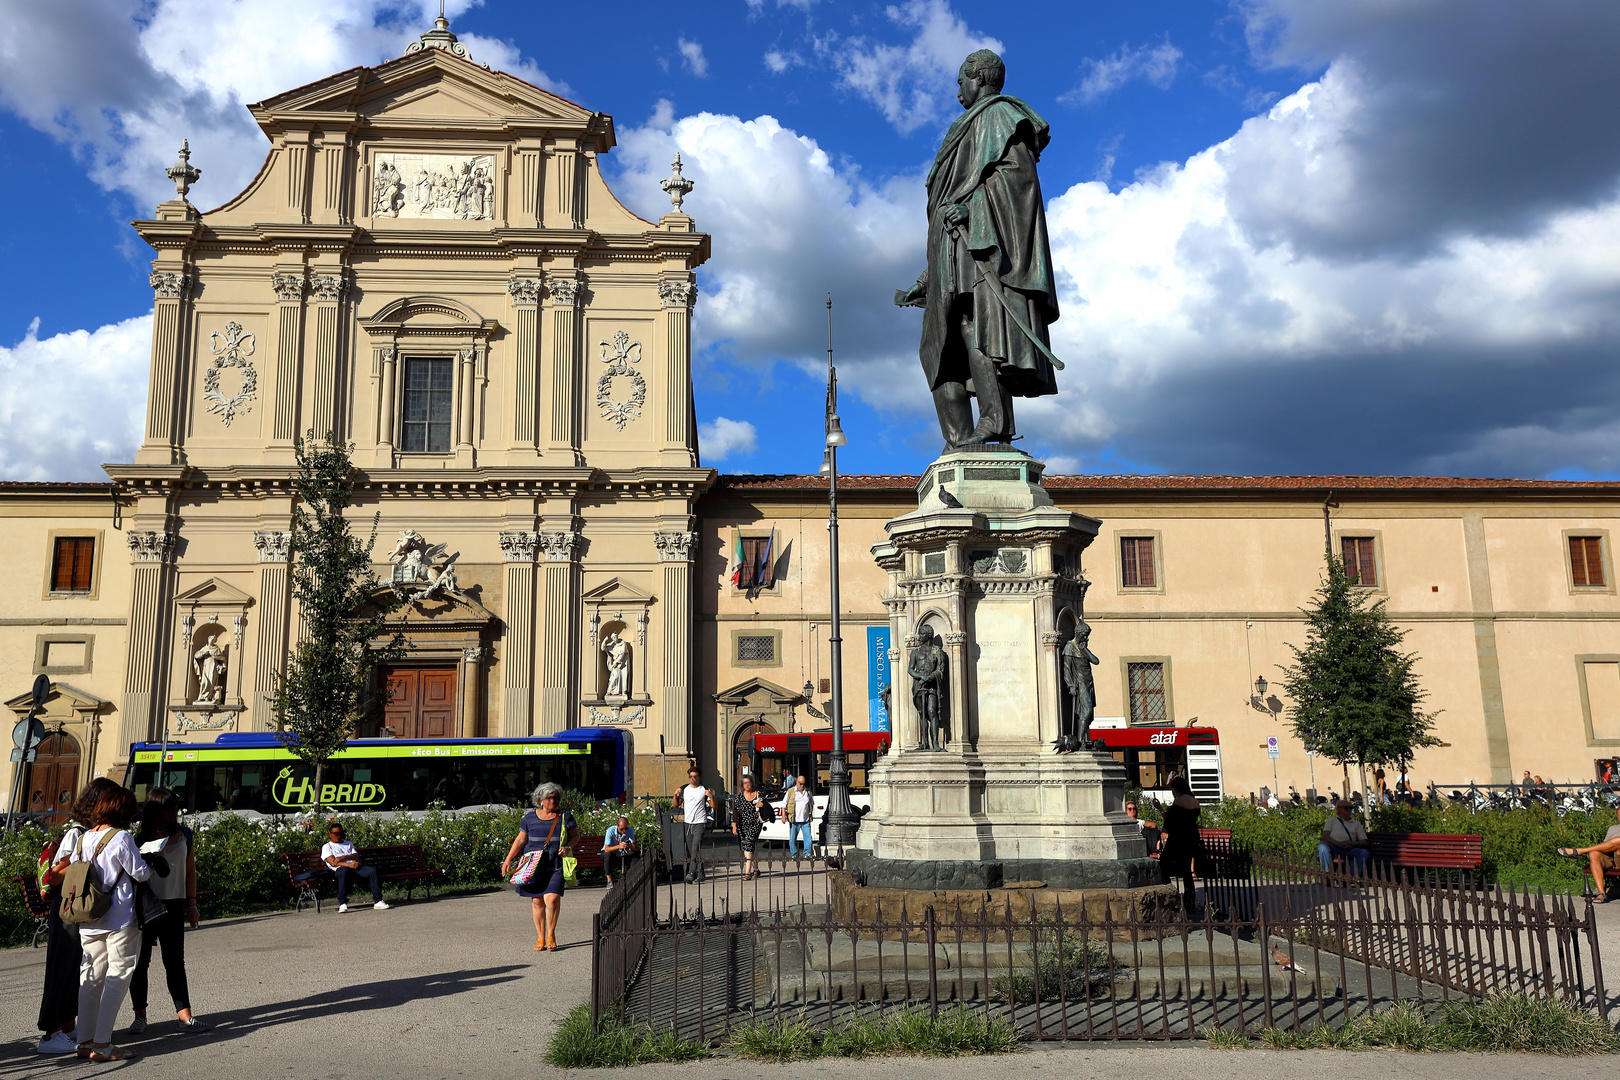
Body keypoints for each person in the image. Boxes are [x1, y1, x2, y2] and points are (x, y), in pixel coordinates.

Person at [34, 778, 117, 1054]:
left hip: (78, 910)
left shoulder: (95, 832)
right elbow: (56, 876)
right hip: (67, 910)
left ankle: (68, 1026)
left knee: (75, 972)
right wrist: (79, 858)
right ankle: (50, 1034)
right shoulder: (76, 833)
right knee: (61, 970)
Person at [72, 784, 154, 1062]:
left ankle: (84, 1041)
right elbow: (140, 874)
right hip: (119, 917)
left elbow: (75, 868)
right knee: (118, 978)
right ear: (124, 811)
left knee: (90, 979)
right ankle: (103, 1044)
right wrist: (155, 860)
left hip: (89, 917)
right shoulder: (121, 838)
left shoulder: (83, 839)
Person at [129, 788, 208, 1034]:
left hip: (174, 905)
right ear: (155, 809)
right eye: (169, 807)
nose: (175, 811)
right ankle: (140, 1016)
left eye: (176, 806)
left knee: (174, 962)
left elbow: (190, 871)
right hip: (146, 905)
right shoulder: (138, 839)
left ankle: (185, 1016)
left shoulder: (185, 835)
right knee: (140, 963)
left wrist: (192, 904)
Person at [501, 783, 578, 950]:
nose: (554, 800)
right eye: (550, 798)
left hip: (555, 863)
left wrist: (568, 846)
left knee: (552, 898)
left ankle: (551, 936)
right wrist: (508, 860)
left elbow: (575, 836)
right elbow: (520, 840)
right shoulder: (530, 818)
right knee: (537, 901)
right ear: (540, 800)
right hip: (533, 865)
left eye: (556, 797)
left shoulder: (565, 816)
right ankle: (540, 938)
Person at [322, 824, 390, 913]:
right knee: (343, 872)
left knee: (372, 871)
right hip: (340, 869)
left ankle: (378, 901)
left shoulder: (348, 843)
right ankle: (342, 903)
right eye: (335, 833)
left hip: (354, 867)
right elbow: (333, 862)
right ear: (330, 834)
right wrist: (349, 865)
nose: (338, 836)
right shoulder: (327, 846)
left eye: (340, 833)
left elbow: (355, 855)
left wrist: (343, 857)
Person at [1159, 776, 1202, 916]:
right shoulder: (1194, 801)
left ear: (1175, 789)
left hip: (1178, 838)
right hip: (1192, 838)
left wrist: (1161, 809)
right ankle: (1190, 901)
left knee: (1164, 862)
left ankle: (1167, 894)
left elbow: (1169, 824)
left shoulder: (1179, 800)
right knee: (1186, 870)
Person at [1559, 806, 1620, 901]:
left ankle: (1580, 851)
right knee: (1593, 853)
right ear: (1617, 816)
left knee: (1618, 840)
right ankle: (1601, 893)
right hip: (1613, 860)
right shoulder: (1613, 828)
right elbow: (1604, 847)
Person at [674, 768, 716, 884]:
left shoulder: (704, 789)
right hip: (688, 822)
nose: (693, 778)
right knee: (691, 850)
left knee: (695, 847)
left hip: (700, 822)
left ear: (699, 777)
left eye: (695, 776)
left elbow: (714, 806)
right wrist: (675, 795)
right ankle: (701, 873)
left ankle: (691, 872)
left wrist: (711, 796)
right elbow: (676, 805)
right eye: (691, 776)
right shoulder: (684, 789)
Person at [730, 775, 767, 880]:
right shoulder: (740, 797)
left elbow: (766, 806)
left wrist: (762, 805)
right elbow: (735, 812)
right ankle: (756, 869)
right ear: (742, 785)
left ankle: (747, 872)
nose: (747, 785)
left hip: (755, 823)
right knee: (746, 847)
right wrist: (734, 825)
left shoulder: (758, 794)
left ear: (752, 783)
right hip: (742, 824)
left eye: (748, 782)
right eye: (744, 783)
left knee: (749, 844)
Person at [1320, 800, 1371, 874]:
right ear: (1339, 809)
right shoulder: (1332, 820)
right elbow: (1325, 836)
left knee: (1364, 853)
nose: (1349, 810)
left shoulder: (1356, 823)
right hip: (1334, 847)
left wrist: (1353, 844)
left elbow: (1364, 841)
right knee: (1322, 846)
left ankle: (1351, 876)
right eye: (1346, 808)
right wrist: (1338, 844)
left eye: (1350, 808)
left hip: (1350, 848)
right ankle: (1326, 873)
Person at [783, 773, 814, 859]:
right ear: (796, 782)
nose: (802, 785)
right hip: (794, 820)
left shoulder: (808, 792)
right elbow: (783, 804)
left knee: (808, 838)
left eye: (803, 784)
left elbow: (811, 804)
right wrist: (783, 816)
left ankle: (807, 853)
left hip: (805, 820)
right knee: (792, 839)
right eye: (800, 783)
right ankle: (794, 855)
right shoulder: (790, 791)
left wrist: (810, 814)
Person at [602, 815, 637, 890]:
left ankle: (630, 877)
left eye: (625, 828)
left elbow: (633, 847)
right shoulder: (610, 831)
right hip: (612, 852)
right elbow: (606, 849)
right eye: (621, 829)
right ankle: (609, 880)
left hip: (623, 852)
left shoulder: (630, 830)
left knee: (636, 855)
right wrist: (619, 846)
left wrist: (629, 846)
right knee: (607, 855)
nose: (624, 831)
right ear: (617, 826)